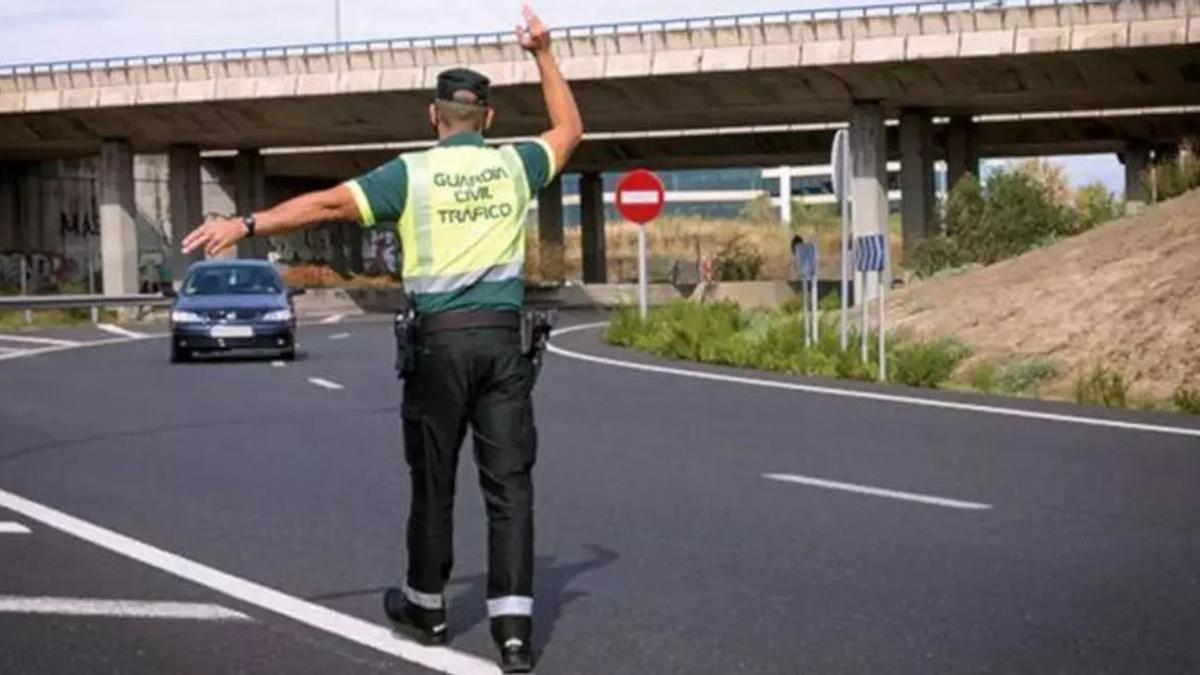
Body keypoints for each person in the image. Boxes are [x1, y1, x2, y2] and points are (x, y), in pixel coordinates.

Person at [180, 6, 582, 672]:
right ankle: (514, 634)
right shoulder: (515, 165)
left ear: (433, 117)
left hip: (438, 346)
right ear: (487, 118)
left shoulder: (410, 175)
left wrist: (246, 223)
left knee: (434, 481)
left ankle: (427, 608)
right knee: (509, 487)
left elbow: (327, 204)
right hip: (502, 345)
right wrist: (542, 52)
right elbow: (569, 129)